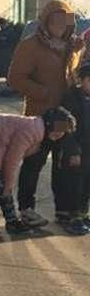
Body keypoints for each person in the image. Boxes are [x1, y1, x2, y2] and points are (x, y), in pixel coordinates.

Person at [8, 0, 85, 228]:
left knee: (63, 164)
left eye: (64, 20)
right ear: (46, 20)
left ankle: (63, 210)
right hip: (39, 116)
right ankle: (26, 209)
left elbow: (71, 76)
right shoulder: (30, 45)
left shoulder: (71, 46)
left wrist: (75, 54)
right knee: (34, 163)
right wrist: (43, 92)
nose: (60, 24)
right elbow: (15, 78)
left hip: (64, 117)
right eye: (55, 19)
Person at [0, 108, 76, 239]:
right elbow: (12, 160)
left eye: (63, 132)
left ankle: (12, 221)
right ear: (51, 124)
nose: (60, 135)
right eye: (59, 130)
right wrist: (8, 185)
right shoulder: (33, 131)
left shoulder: (41, 130)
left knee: (1, 183)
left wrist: (7, 185)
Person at [53, 64, 90, 234]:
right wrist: (72, 150)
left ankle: (83, 213)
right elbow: (62, 125)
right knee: (73, 181)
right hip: (74, 147)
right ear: (80, 80)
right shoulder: (70, 97)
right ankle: (71, 216)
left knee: (87, 181)